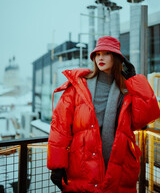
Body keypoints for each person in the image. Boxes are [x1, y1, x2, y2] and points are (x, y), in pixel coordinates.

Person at [47, 36, 160, 193]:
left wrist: (134, 80)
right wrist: (57, 165)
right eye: (98, 54)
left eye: (107, 53)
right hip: (83, 162)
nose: (101, 57)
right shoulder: (78, 86)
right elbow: (60, 126)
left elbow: (145, 118)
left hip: (120, 162)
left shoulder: (127, 89)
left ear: (116, 58)